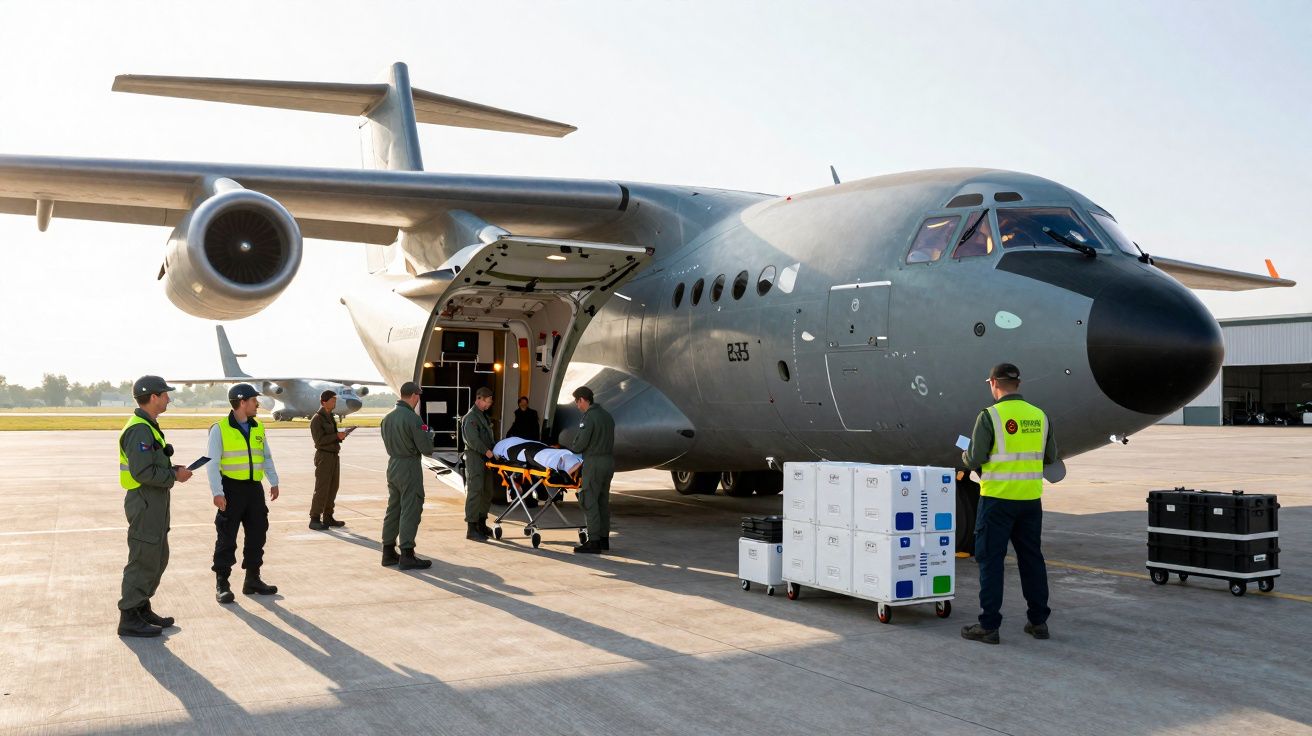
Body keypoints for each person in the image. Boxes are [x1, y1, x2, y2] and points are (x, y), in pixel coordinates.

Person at [959, 363, 1059, 645]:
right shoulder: (1040, 416)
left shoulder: (989, 416)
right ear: (1019, 383)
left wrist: (964, 457)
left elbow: (975, 457)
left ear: (993, 383)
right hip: (1029, 500)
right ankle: (1038, 622)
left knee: (991, 562)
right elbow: (1050, 456)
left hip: (997, 500)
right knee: (1032, 560)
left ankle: (989, 626)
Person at [116, 375, 193, 638]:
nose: (168, 398)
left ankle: (141, 608)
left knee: (157, 558)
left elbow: (152, 465)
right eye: (165, 394)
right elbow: (142, 472)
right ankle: (129, 617)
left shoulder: (149, 426)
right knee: (142, 559)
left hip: (155, 501)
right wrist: (174, 477)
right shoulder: (139, 429)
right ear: (152, 397)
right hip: (144, 500)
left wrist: (172, 469)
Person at [207, 383, 281, 604]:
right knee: (227, 536)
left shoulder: (258, 427)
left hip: (254, 490)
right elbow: (212, 464)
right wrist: (217, 492)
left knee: (258, 533)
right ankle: (222, 583)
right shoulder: (219, 429)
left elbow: (265, 456)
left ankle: (252, 579)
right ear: (242, 402)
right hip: (231, 489)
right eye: (253, 400)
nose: (257, 404)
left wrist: (274, 481)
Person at [380, 382, 436, 569]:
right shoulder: (413, 419)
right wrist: (429, 435)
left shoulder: (387, 418)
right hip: (409, 466)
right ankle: (407, 554)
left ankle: (388, 552)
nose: (418, 399)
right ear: (413, 396)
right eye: (418, 396)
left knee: (393, 508)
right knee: (410, 509)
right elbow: (427, 449)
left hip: (393, 464)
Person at [567, 386, 615, 554]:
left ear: (582, 400)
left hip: (594, 462)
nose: (577, 406)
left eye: (577, 402)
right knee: (602, 501)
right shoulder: (607, 416)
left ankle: (593, 540)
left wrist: (572, 447)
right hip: (608, 462)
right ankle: (603, 539)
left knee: (588, 500)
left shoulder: (589, 418)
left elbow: (580, 444)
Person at [461, 387, 498, 540]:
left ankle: (481, 523)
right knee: (475, 491)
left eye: (490, 402)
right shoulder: (471, 417)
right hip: (475, 457)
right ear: (479, 399)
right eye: (487, 402)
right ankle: (471, 527)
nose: (488, 405)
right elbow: (473, 440)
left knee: (487, 491)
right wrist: (487, 451)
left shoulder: (483, 416)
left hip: (485, 459)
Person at [308, 390, 348, 530]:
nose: (334, 402)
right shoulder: (317, 419)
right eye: (332, 400)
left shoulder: (330, 416)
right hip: (324, 456)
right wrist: (337, 436)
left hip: (333, 455)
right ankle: (314, 518)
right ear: (324, 402)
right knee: (322, 488)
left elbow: (331, 436)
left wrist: (341, 436)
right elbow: (319, 441)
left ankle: (328, 517)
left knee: (333, 487)